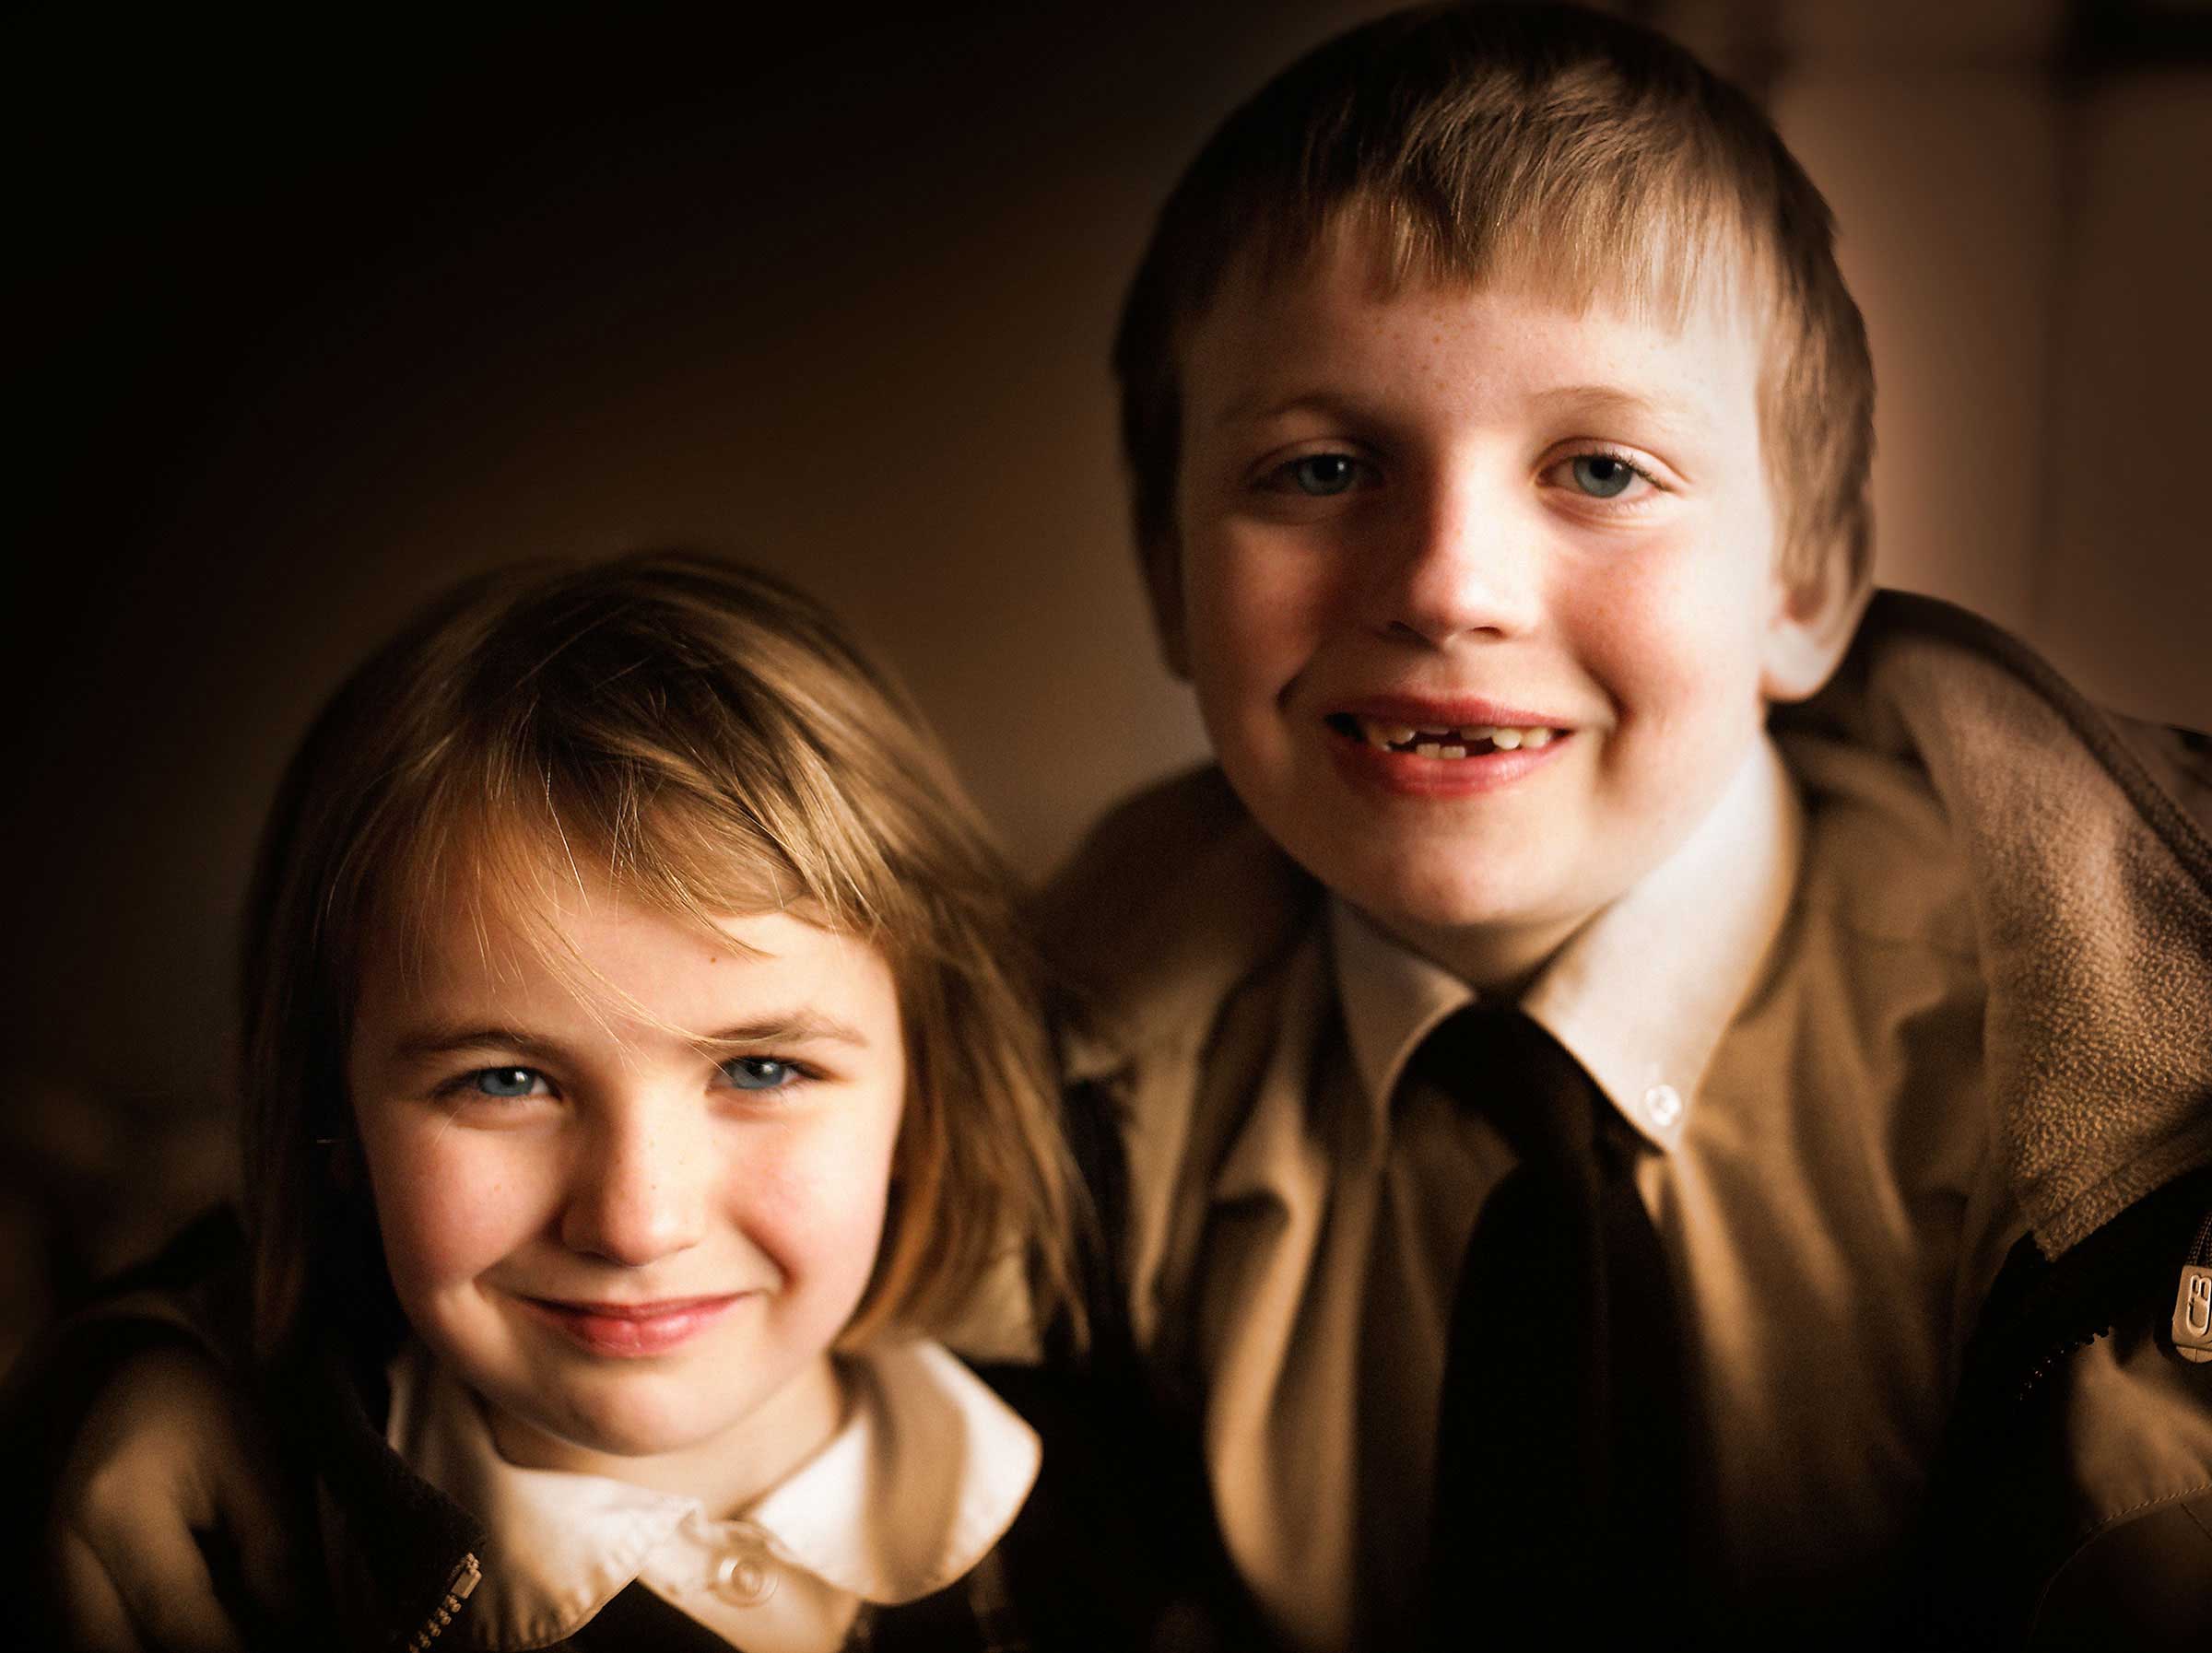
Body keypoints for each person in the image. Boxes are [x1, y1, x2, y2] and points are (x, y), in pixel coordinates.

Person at [23, 5, 2212, 1648]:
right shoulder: (1067, 1074)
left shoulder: (2108, 1082)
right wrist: (177, 1359)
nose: (1448, 584)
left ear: (1807, 590)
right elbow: (517, 1127)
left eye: (1600, 470)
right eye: (1317, 469)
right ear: (1173, 581)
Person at [8, 552, 1199, 1651]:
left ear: (926, 1086)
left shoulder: (1128, 1518)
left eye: (762, 1068)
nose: (636, 1220)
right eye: (506, 1079)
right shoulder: (239, 1561)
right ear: (333, 1112)